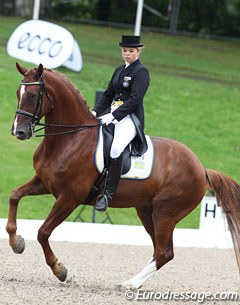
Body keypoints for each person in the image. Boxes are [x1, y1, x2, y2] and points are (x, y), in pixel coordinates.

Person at [92, 35, 150, 212]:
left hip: (130, 119)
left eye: (131, 51)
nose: (127, 54)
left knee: (116, 148)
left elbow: (135, 99)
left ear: (138, 52)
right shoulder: (118, 70)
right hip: (111, 115)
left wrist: (114, 116)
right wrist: (95, 112)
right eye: (125, 50)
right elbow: (108, 94)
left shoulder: (141, 72)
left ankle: (108, 194)